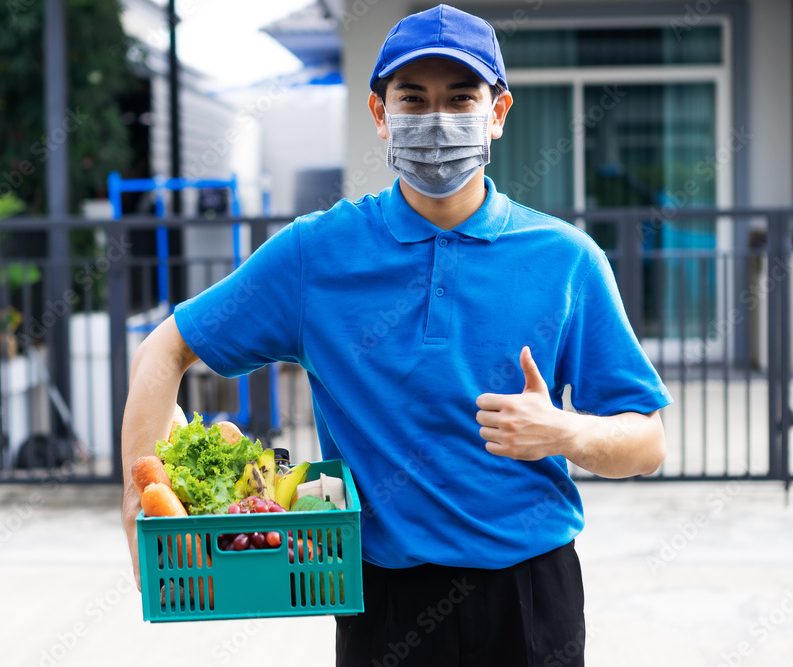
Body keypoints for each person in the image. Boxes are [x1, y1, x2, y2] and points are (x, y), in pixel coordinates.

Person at [121, 5, 672, 665]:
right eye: (413, 98)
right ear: (380, 112)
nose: (436, 119)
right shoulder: (314, 256)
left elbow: (646, 441)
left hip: (531, 599)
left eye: (460, 97)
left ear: (497, 112)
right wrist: (139, 508)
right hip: (384, 603)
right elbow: (166, 347)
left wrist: (565, 432)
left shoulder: (568, 259)